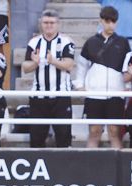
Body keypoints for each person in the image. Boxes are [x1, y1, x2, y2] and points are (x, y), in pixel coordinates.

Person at [23, 10, 76, 148]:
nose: (49, 26)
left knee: (63, 136)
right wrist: (35, 63)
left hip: (61, 96)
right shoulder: (34, 42)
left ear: (58, 24)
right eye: (46, 23)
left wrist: (53, 61)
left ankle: (64, 168)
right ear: (41, 24)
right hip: (38, 97)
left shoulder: (66, 42)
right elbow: (25, 67)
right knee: (36, 138)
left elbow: (69, 65)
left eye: (52, 23)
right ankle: (37, 167)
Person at [81, 6, 130, 150]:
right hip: (94, 94)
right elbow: (82, 65)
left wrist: (127, 87)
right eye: (108, 21)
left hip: (116, 94)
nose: (111, 25)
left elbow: (127, 67)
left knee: (115, 133)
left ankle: (118, 169)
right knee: (94, 132)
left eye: (114, 22)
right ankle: (90, 166)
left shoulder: (123, 42)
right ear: (101, 21)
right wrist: (79, 85)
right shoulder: (91, 42)